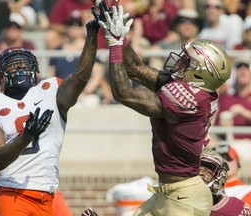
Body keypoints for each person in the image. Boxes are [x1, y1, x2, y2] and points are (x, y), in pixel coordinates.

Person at [97, 3, 231, 215]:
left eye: (188, 62)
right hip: (167, 192)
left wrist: (114, 45)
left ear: (200, 73)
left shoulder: (189, 100)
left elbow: (124, 93)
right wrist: (121, 38)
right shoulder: (198, 90)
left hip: (186, 198)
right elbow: (136, 69)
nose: (181, 62)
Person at [0, 9, 101, 215]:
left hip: (47, 196)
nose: (20, 67)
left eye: (24, 64)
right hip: (11, 194)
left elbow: (80, 78)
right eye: (13, 66)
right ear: (0, 77)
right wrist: (26, 137)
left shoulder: (51, 89)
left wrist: (92, 35)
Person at [199, 148, 251, 215]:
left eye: (228, 158)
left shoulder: (246, 191)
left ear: (238, 163)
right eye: (221, 157)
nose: (224, 160)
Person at [212, 143, 251, 208]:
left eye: (229, 158)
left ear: (238, 163)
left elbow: (243, 212)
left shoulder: (247, 190)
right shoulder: (203, 188)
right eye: (219, 160)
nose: (225, 162)